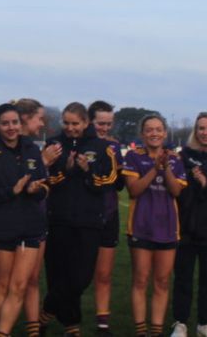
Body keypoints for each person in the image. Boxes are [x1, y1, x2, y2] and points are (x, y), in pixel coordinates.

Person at [40, 102, 116, 336]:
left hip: (89, 222)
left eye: (75, 123)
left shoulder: (103, 147)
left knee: (81, 277)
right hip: (58, 219)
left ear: (85, 123)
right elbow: (44, 181)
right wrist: (66, 170)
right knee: (58, 274)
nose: (71, 128)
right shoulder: (54, 144)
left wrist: (87, 172)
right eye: (67, 123)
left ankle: (45, 312)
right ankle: (71, 325)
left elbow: (110, 181)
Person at [0, 104, 48, 337]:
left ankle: (1, 333)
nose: (11, 127)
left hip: (30, 226)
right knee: (3, 284)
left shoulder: (32, 149)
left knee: (19, 286)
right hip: (0, 225)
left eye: (14, 122)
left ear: (21, 124)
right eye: (5, 123)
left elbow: (45, 186)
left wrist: (35, 189)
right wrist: (13, 190)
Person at [123, 114, 186, 337]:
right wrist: (154, 168)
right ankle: (141, 330)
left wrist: (165, 167)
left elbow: (176, 191)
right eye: (149, 129)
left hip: (168, 228)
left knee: (161, 281)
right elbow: (134, 190)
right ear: (142, 134)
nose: (154, 133)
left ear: (165, 133)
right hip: (141, 227)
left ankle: (156, 330)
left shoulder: (175, 160)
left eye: (158, 129)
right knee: (140, 280)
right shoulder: (133, 156)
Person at [15, 98, 59, 337]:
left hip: (38, 219)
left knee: (33, 279)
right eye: (39, 118)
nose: (42, 123)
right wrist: (43, 162)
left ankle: (34, 331)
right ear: (25, 117)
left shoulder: (32, 146)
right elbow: (13, 180)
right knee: (10, 283)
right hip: (14, 222)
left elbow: (42, 183)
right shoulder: (13, 146)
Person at [171, 113, 207, 337]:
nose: (205, 132)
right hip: (185, 228)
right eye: (201, 128)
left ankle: (205, 323)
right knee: (183, 278)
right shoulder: (183, 155)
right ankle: (180, 322)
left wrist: (206, 183)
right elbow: (176, 190)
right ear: (195, 131)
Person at [88, 101, 125, 337]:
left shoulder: (114, 145)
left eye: (108, 124)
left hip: (109, 215)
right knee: (75, 273)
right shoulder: (81, 144)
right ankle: (61, 319)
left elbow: (119, 184)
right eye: (101, 123)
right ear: (90, 121)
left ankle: (103, 325)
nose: (105, 128)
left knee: (104, 274)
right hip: (82, 216)